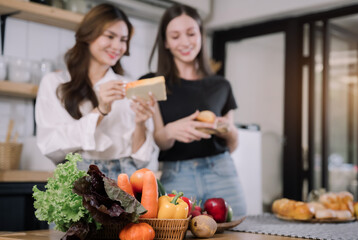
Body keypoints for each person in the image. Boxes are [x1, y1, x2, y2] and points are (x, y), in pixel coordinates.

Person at [140, 4, 246, 217]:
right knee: (177, 233)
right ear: (166, 42)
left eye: (191, 33)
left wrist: (227, 130)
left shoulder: (221, 85)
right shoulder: (151, 83)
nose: (185, 42)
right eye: (176, 36)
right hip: (177, 175)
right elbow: (160, 140)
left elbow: (232, 144)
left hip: (221, 170)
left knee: (237, 232)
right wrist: (171, 130)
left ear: (201, 35)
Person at [35, 3, 156, 180]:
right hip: (79, 176)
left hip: (124, 176)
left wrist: (140, 123)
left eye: (123, 39)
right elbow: (51, 147)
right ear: (88, 35)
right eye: (110, 36)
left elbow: (140, 160)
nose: (118, 46)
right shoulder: (55, 83)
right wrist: (100, 110)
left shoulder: (131, 87)